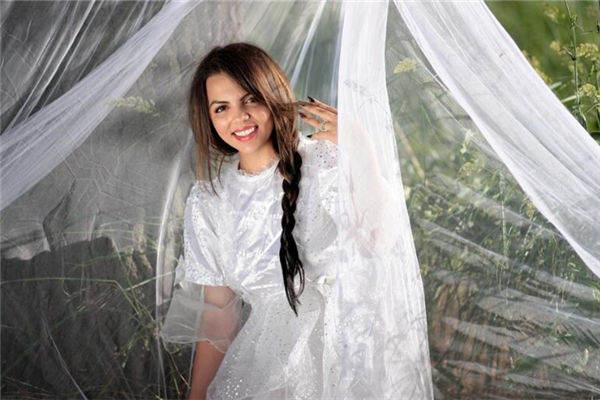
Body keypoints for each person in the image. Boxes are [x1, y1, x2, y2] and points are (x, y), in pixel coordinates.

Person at [160, 42, 342, 399]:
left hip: (347, 348)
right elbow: (218, 318)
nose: (239, 117)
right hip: (267, 361)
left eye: (251, 99)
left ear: (273, 96)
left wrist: (360, 147)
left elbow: (380, 238)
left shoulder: (324, 161)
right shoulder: (209, 201)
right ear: (208, 118)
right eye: (221, 108)